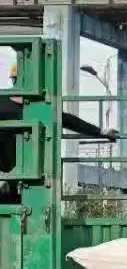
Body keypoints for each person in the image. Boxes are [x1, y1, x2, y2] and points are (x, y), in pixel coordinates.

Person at [0, 63, 117, 201]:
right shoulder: (3, 102)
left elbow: (68, 120)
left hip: (26, 174)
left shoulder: (39, 107)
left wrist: (100, 131)